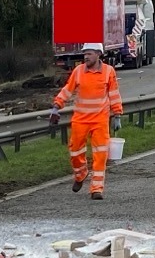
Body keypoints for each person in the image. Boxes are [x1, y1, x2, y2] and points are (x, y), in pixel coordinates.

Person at [52, 44, 123, 199]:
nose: (86, 57)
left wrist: (117, 114)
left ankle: (96, 189)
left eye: (89, 54)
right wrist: (57, 106)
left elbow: (114, 94)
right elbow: (67, 90)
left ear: (98, 54)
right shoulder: (78, 71)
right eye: (84, 54)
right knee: (75, 151)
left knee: (100, 154)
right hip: (80, 119)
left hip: (100, 120)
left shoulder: (108, 72)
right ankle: (80, 174)